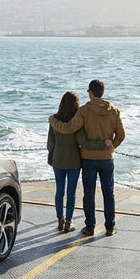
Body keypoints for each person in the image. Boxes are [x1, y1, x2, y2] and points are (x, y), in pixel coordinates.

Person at [48, 79, 126, 237]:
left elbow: (69, 128)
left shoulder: (83, 111)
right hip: (106, 159)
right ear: (102, 92)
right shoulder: (114, 111)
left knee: (88, 193)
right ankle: (110, 227)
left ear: (90, 93)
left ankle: (90, 227)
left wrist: (52, 120)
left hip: (88, 159)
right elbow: (122, 135)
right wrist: (111, 146)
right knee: (108, 193)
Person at [47, 91, 88, 233]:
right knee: (71, 192)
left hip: (58, 159)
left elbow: (50, 143)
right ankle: (68, 223)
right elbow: (81, 141)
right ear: (76, 104)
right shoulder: (76, 121)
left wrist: (51, 154)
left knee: (59, 191)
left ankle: (60, 220)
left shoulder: (54, 120)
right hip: (74, 161)